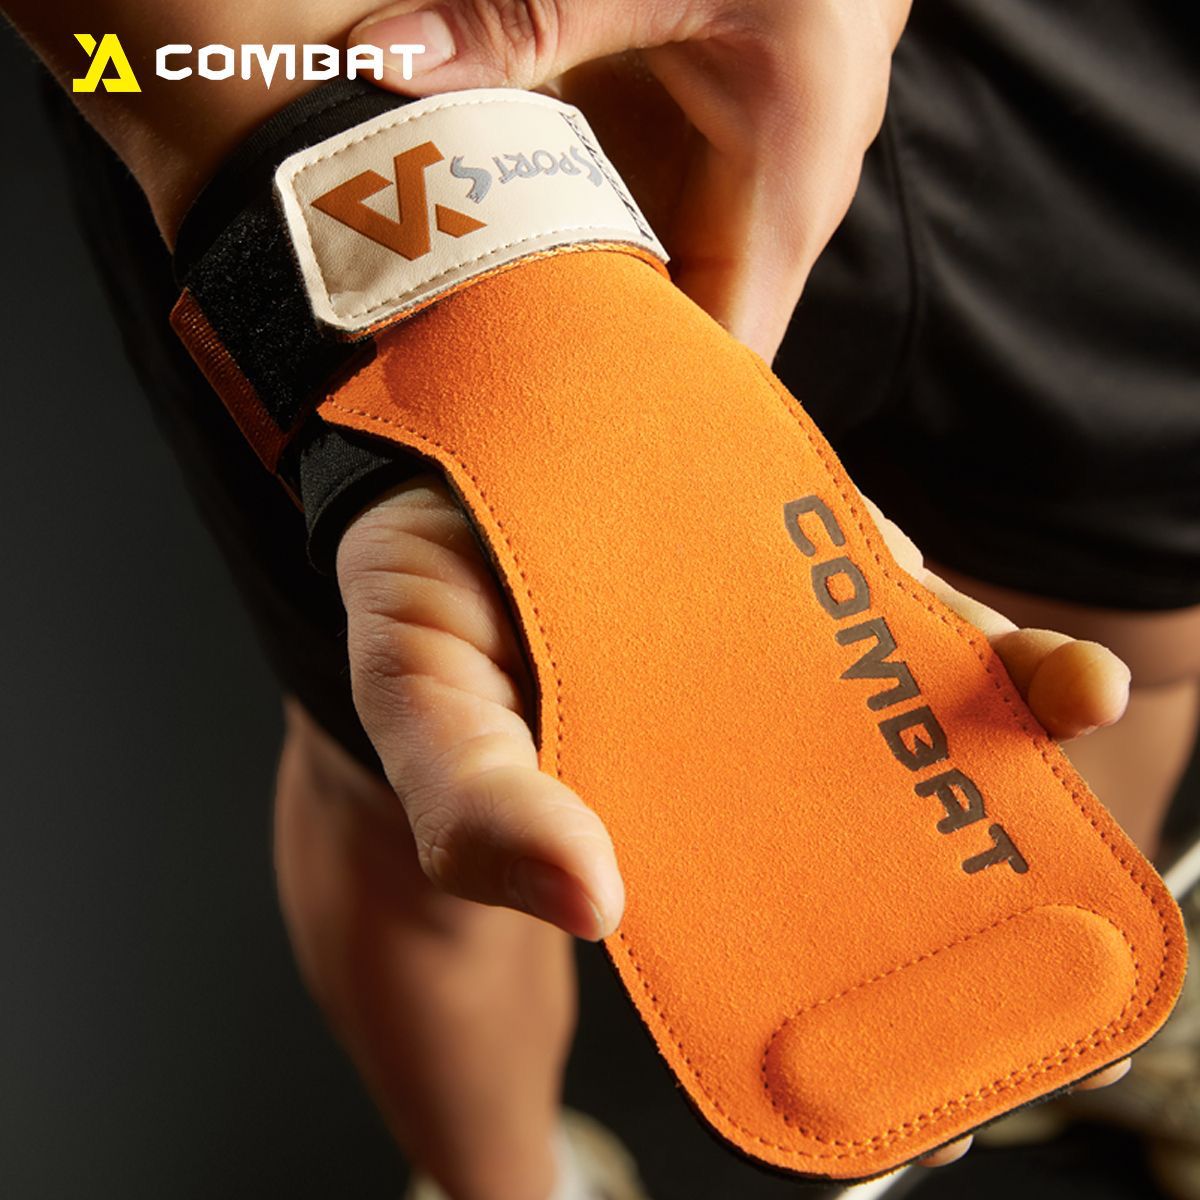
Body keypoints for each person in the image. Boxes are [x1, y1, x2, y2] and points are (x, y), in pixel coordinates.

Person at [10, 2, 1198, 1197]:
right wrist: (305, 141)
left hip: (1049, 59)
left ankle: (1081, 1006)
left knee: (1127, 630)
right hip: (298, 42)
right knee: (432, 761)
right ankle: (503, 1180)